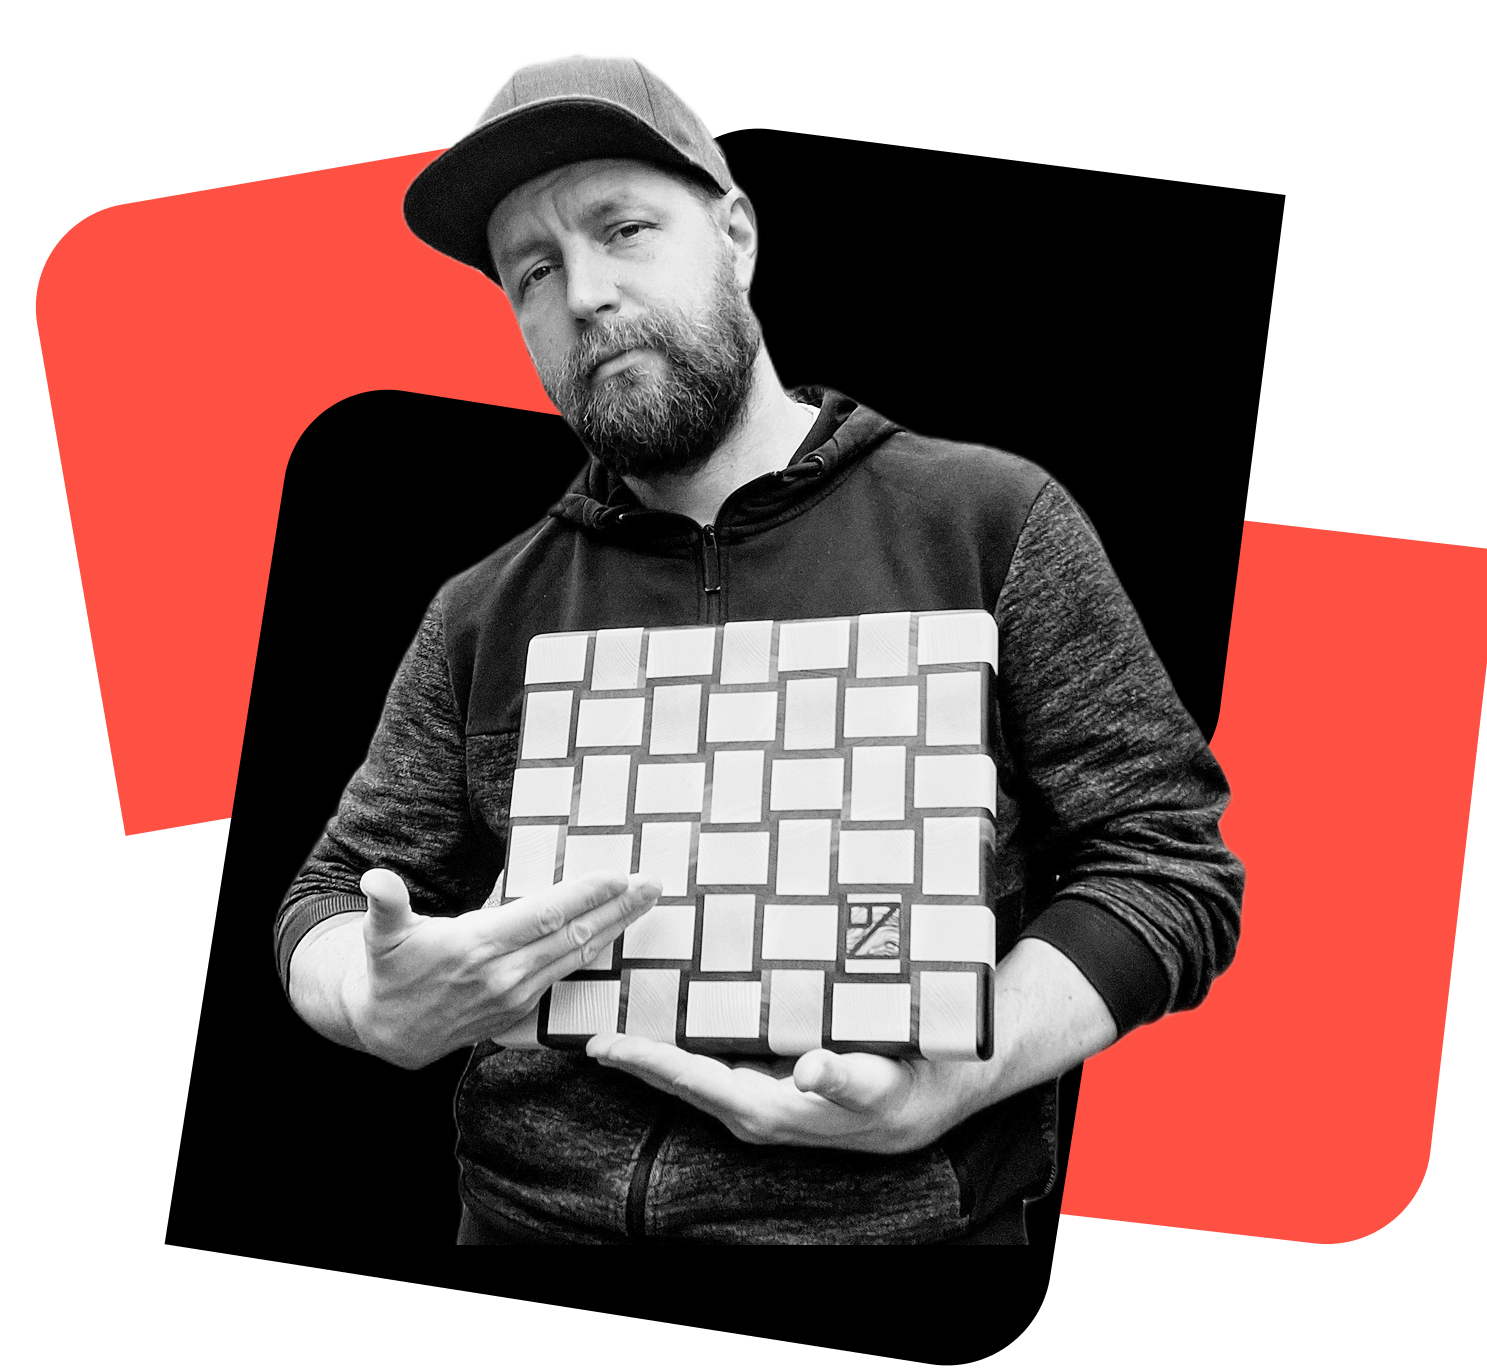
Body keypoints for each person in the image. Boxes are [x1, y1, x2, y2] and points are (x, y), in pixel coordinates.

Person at [275, 51, 1244, 1245]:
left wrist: (955, 1082)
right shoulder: (480, 612)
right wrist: (367, 995)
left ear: (735, 235)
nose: (584, 295)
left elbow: (1164, 860)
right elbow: (331, 897)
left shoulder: (988, 525)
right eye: (533, 269)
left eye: (623, 229)